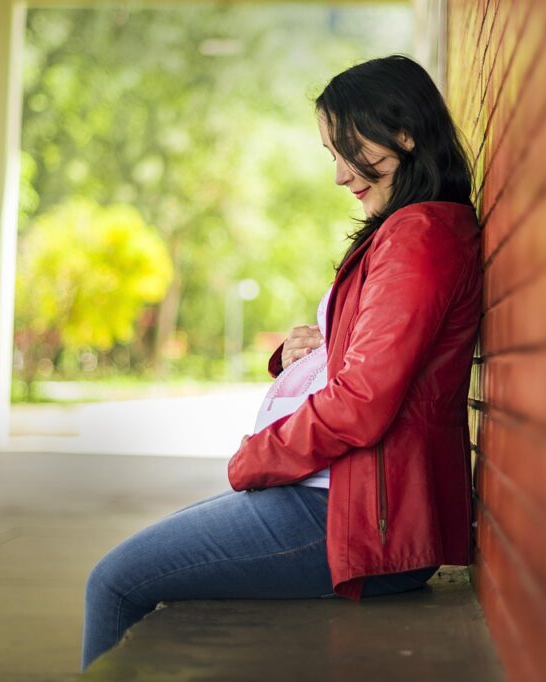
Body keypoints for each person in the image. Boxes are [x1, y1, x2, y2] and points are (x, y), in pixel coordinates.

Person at [80, 54, 482, 672]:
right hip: (341, 500)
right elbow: (378, 359)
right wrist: (308, 349)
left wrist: (256, 456)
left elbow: (364, 400)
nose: (342, 175)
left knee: (113, 581)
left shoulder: (419, 234)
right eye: (332, 155)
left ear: (405, 132)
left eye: (351, 149)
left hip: (350, 519)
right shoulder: (413, 229)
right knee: (138, 561)